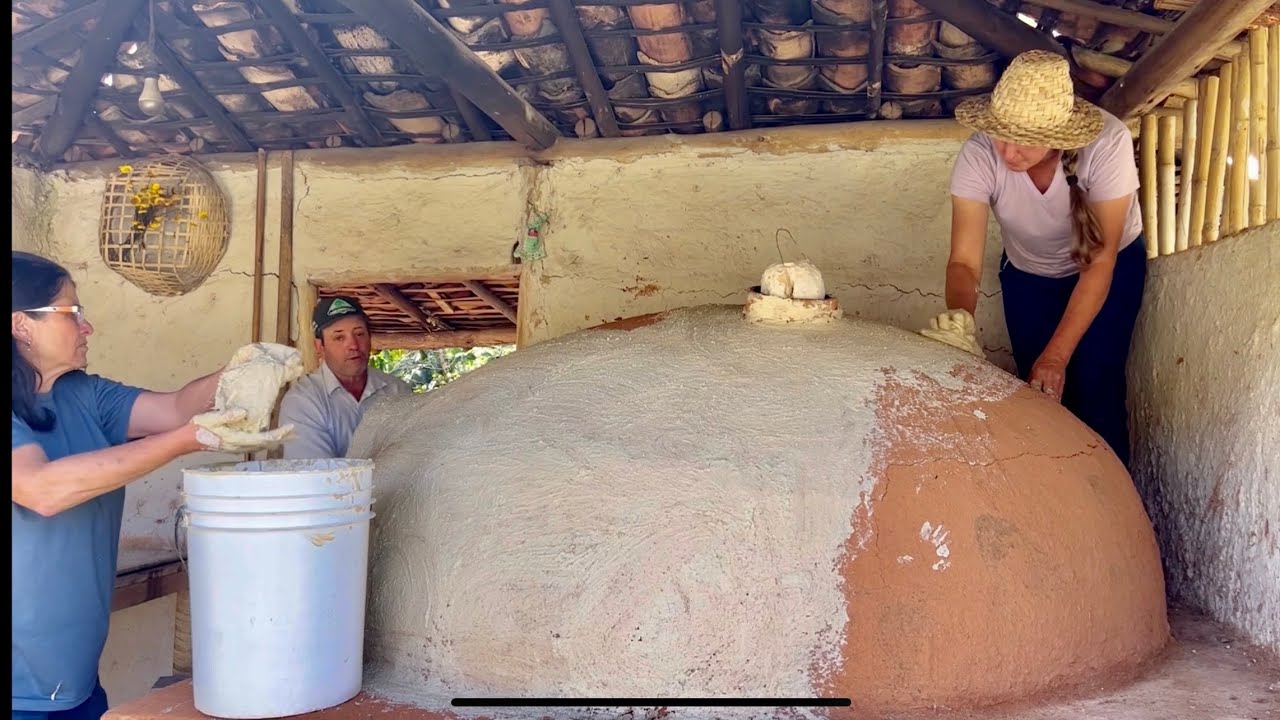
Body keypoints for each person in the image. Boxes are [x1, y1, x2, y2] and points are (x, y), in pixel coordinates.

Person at [10, 252, 286, 720]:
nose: (87, 327)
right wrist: (189, 439)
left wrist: (241, 370)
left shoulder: (85, 394)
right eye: (71, 312)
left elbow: (177, 409)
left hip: (72, 679)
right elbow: (41, 489)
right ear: (21, 324)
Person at [942, 50, 1146, 467]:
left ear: (1059, 135)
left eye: (1025, 139)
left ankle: (1112, 508)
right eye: (1002, 134)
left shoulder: (1107, 143)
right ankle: (1056, 501)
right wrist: (958, 326)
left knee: (1096, 384)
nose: (1009, 152)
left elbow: (1101, 260)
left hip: (1108, 268)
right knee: (1040, 396)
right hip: (1029, 275)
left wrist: (1057, 356)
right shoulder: (979, 156)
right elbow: (963, 262)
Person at [278, 296, 412, 459]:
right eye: (339, 337)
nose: (354, 345)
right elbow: (317, 476)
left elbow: (413, 459)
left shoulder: (398, 391)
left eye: (359, 334)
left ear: (370, 338)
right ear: (320, 346)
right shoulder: (302, 402)